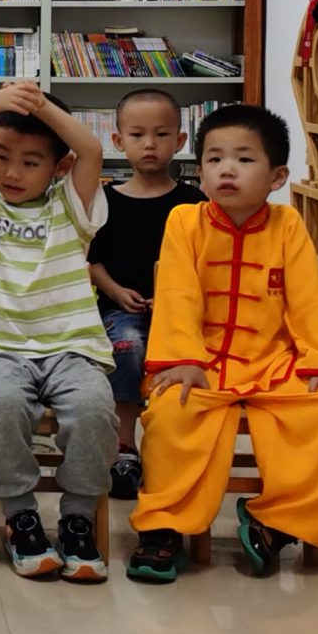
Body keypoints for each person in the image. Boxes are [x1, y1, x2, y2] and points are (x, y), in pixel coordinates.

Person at [127, 103, 318, 584]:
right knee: (172, 410)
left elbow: (309, 300)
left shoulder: (288, 225)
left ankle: (276, 523)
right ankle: (163, 528)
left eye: (244, 159)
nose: (227, 170)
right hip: (201, 359)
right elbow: (177, 293)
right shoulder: (184, 221)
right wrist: (182, 358)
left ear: (277, 177)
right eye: (214, 159)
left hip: (274, 362)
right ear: (200, 172)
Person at [0, 81, 119, 583]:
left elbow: (91, 150)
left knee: (93, 410)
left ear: (59, 167)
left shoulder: (72, 208)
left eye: (30, 162)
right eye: (2, 156)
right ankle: (20, 516)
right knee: (0, 407)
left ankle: (77, 519)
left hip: (71, 350)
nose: (12, 172)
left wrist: (41, 105)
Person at [88, 88, 205, 500]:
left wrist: (173, 299)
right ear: (118, 141)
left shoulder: (194, 203)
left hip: (181, 313)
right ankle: (125, 445)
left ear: (181, 140)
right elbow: (93, 262)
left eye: (162, 134)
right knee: (129, 346)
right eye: (137, 135)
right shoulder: (106, 200)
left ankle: (173, 448)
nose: (150, 144)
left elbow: (204, 263)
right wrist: (117, 292)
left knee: (187, 360)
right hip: (121, 310)